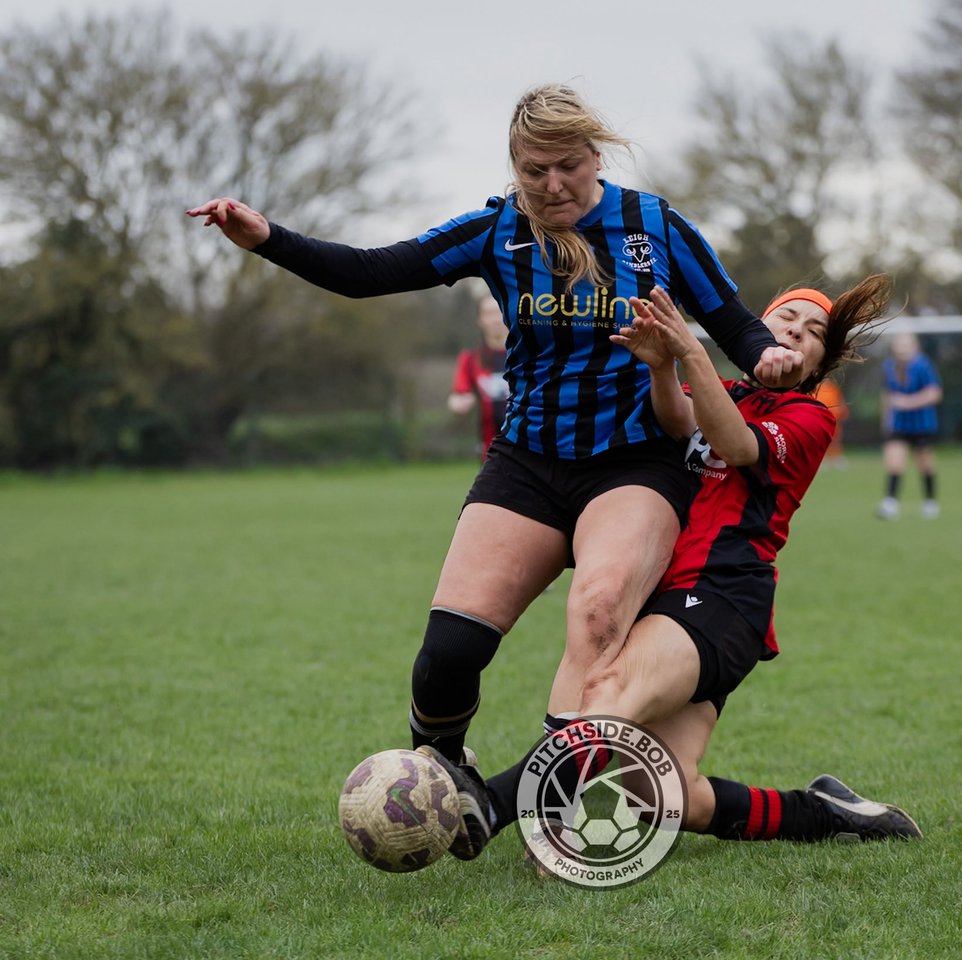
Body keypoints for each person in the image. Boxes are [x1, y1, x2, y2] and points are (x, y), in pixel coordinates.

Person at [187, 84, 806, 784]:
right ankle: (443, 775)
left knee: (600, 616)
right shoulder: (497, 231)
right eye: (533, 170)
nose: (551, 185)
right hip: (529, 463)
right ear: (513, 167)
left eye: (567, 166)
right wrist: (267, 239)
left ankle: (546, 804)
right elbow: (369, 272)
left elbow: (732, 320)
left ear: (594, 156)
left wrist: (768, 359)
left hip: (636, 461)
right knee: (449, 653)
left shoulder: (652, 224)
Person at [424, 276, 922, 863]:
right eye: (786, 317)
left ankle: (495, 804)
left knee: (610, 691)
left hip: (721, 599)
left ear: (820, 360)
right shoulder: (730, 389)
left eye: (814, 333)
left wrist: (689, 348)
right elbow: (679, 422)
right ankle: (822, 811)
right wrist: (664, 366)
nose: (796, 331)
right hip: (676, 601)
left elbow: (734, 445)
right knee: (658, 791)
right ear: (760, 328)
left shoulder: (810, 418)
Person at [876, 332, 942, 519]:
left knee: (925, 464)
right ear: (894, 347)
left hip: (922, 424)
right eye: (900, 344)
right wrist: (885, 419)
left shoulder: (924, 366)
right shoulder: (888, 367)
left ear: (914, 346)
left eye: (907, 344)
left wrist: (908, 402)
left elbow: (935, 393)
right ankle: (890, 503)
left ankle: (930, 502)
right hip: (898, 425)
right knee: (894, 463)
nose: (903, 348)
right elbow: (887, 396)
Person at [448, 293, 510, 461]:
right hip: (490, 451)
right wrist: (458, 403)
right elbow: (459, 395)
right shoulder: (470, 360)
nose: (495, 319)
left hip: (527, 448)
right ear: (480, 319)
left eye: (499, 312)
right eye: (489, 313)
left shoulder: (526, 357)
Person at [812, 378, 849, 468]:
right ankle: (821, 459)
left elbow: (840, 400)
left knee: (835, 439)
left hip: (834, 418)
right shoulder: (816, 389)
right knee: (820, 439)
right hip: (820, 418)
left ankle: (836, 457)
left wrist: (843, 411)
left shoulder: (834, 389)